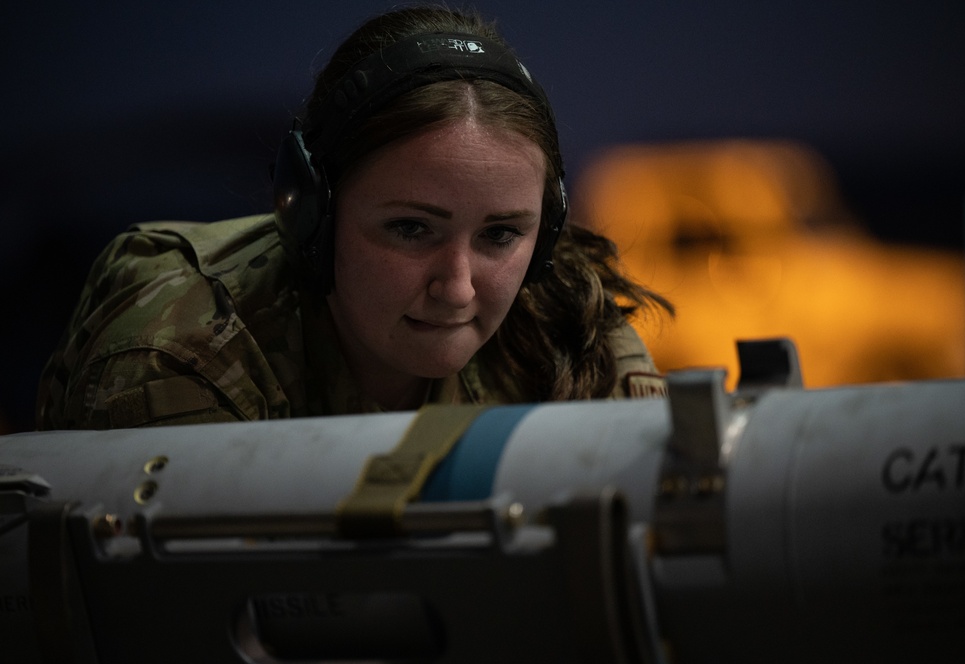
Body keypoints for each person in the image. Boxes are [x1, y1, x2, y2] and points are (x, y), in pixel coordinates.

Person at [35, 4, 672, 430]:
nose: (456, 288)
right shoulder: (181, 357)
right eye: (410, 228)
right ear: (312, 212)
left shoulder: (567, 327)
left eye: (501, 235)